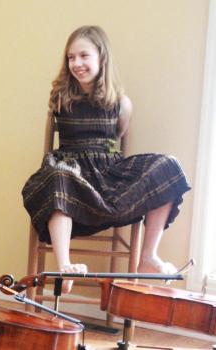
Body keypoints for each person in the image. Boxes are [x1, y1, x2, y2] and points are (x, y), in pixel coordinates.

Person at [22, 25, 190, 293]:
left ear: (101, 56)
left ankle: (148, 256)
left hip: (106, 173)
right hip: (69, 172)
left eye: (83, 56)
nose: (76, 63)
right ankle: (64, 267)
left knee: (167, 166)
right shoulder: (60, 99)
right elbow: (61, 162)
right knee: (58, 176)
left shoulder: (121, 103)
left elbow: (118, 133)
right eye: (71, 57)